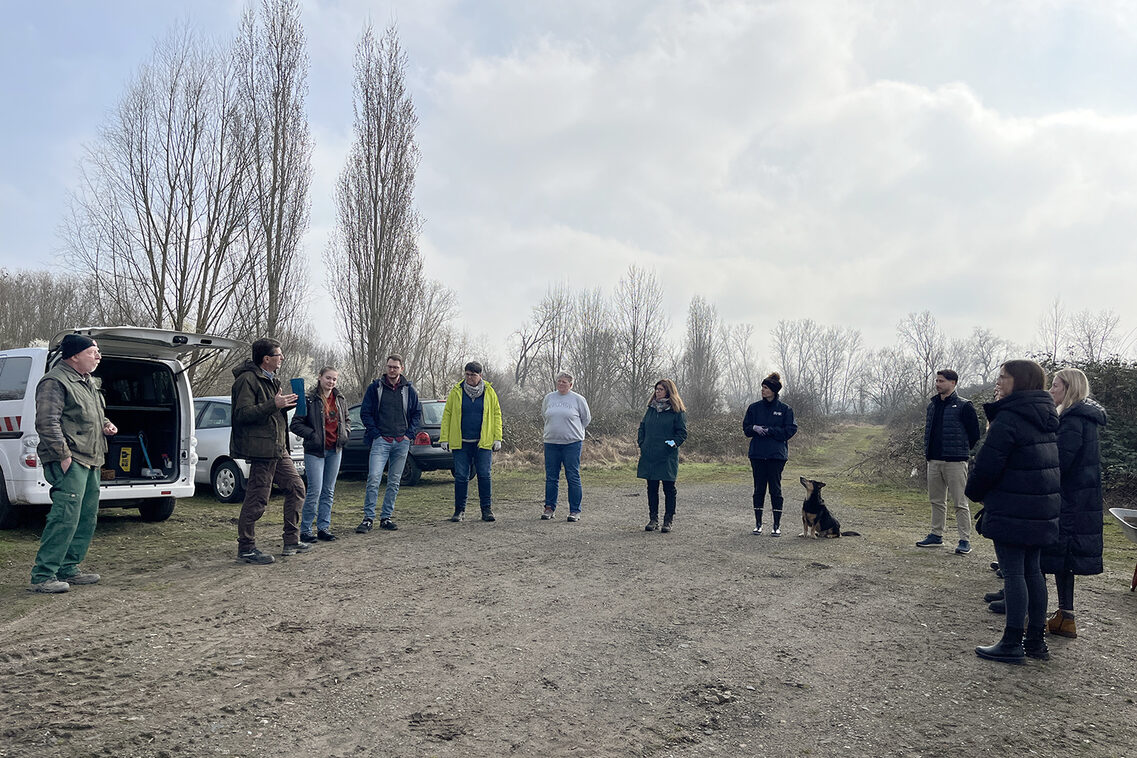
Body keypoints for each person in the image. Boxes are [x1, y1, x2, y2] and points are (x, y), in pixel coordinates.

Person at [965, 359, 1060, 664]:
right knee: (1034, 571)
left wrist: (974, 493)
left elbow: (988, 465)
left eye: (1003, 378)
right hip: (1039, 507)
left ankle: (1011, 642)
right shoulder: (1044, 415)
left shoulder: (1009, 418)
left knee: (1014, 573)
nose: (998, 383)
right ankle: (1035, 641)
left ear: (1018, 382)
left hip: (1013, 506)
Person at [27, 334, 118, 593]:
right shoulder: (54, 381)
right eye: (93, 352)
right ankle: (43, 575)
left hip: (92, 458)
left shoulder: (88, 382)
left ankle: (69, 567)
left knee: (86, 517)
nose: (99, 356)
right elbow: (47, 422)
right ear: (75, 355)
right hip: (71, 459)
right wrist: (63, 456)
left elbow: (86, 414)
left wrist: (105, 424)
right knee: (65, 516)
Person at [1040, 367, 1107, 639]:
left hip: (1069, 500)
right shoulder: (1082, 418)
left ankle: (1043, 617)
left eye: (1055, 385)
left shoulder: (1072, 421)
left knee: (1056, 556)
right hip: (1079, 499)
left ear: (1069, 388)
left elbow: (1060, 463)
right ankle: (1065, 616)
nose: (1051, 390)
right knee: (1063, 559)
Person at [231, 338, 308, 565]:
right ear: (267, 359)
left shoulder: (272, 380)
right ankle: (246, 548)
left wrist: (286, 404)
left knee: (296, 487)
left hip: (277, 447)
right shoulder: (247, 380)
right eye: (279, 354)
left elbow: (272, 412)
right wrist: (274, 404)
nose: (282, 358)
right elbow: (242, 414)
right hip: (262, 449)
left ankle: (291, 541)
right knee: (257, 498)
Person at [916, 369, 981, 554]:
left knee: (960, 502)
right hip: (934, 461)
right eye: (936, 380)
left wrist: (960, 450)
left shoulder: (964, 406)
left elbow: (974, 434)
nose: (937, 384)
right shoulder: (932, 405)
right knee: (936, 500)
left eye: (941, 381)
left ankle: (964, 540)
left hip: (956, 462)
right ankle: (936, 535)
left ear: (953, 383)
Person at [357, 354, 422, 533]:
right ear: (386, 368)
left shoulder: (409, 390)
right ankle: (368, 518)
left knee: (394, 481)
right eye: (389, 367)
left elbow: (417, 413)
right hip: (381, 441)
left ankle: (386, 517)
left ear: (402, 368)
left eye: (395, 367)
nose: (392, 370)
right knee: (374, 479)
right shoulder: (375, 388)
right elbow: (365, 412)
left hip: (402, 442)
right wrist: (376, 434)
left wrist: (409, 435)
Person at [290, 366, 351, 543]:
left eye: (334, 379)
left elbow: (347, 420)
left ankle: (324, 528)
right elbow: (295, 424)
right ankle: (306, 530)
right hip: (315, 451)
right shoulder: (309, 399)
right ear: (320, 377)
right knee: (315, 490)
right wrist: (312, 435)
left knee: (328, 491)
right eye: (328, 378)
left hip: (335, 449)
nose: (331, 382)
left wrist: (345, 433)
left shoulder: (340, 398)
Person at [440, 362, 503, 522]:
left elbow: (496, 414)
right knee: (461, 476)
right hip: (461, 442)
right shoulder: (456, 391)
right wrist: (444, 438)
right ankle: (459, 511)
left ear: (480, 376)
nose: (469, 377)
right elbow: (447, 414)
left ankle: (486, 510)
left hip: (483, 442)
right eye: (467, 374)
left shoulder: (489, 392)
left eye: (473, 375)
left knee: (484, 474)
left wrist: (497, 437)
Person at [742, 372, 798, 536]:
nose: (763, 390)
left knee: (775, 489)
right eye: (762, 388)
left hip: (776, 455)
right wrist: (754, 428)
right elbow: (746, 429)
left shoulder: (785, 409)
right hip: (757, 454)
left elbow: (790, 430)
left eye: (766, 388)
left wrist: (770, 430)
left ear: (774, 390)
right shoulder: (754, 408)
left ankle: (776, 525)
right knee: (758, 489)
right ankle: (758, 523)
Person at [638, 379, 688, 533]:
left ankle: (668, 520)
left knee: (669, 488)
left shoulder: (677, 411)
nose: (657, 391)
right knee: (651, 487)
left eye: (661, 389)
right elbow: (643, 426)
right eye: (656, 389)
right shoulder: (651, 409)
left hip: (667, 455)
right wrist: (642, 443)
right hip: (650, 454)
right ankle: (653, 519)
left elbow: (682, 433)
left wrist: (673, 443)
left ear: (668, 391)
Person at [541, 371, 592, 522]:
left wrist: (574, 431)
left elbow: (586, 419)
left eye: (564, 382)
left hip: (572, 443)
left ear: (571, 384)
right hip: (551, 442)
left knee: (573, 476)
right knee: (551, 477)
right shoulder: (549, 398)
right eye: (559, 381)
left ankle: (574, 510)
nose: (561, 384)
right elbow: (545, 415)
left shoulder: (578, 399)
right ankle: (549, 508)